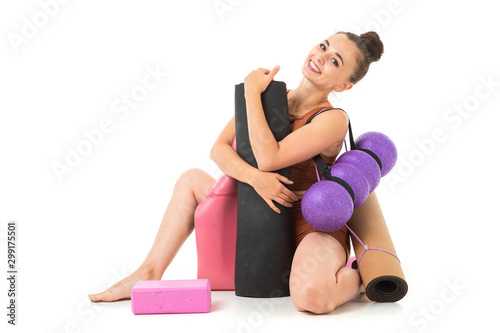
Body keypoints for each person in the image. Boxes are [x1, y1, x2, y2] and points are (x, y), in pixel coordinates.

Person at [88, 31, 385, 315]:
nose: (321, 57)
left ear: (345, 85)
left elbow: (269, 157)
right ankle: (149, 271)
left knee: (312, 298)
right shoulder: (272, 96)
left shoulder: (333, 119)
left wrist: (251, 94)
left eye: (335, 61)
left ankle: (358, 276)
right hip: (260, 207)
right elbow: (218, 149)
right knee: (191, 179)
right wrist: (255, 178)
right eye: (323, 47)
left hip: (308, 220)